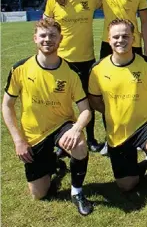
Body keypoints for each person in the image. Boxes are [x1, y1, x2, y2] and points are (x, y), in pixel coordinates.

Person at [2, 18, 93, 215]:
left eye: (53, 35)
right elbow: (7, 105)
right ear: (35, 38)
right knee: (39, 194)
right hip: (34, 134)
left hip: (62, 126)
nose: (47, 39)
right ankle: (55, 164)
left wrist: (76, 128)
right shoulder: (20, 69)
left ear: (60, 39)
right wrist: (18, 140)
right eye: (43, 35)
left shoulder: (71, 71)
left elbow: (86, 110)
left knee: (78, 145)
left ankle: (77, 191)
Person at [88, 19, 147, 216]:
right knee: (127, 186)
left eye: (125, 36)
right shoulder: (97, 69)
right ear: (109, 40)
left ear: (133, 38)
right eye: (116, 37)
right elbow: (95, 101)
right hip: (117, 131)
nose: (121, 40)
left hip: (145, 125)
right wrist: (115, 112)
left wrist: (146, 112)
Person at [44, 0, 103, 152]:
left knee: (88, 102)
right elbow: (45, 27)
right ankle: (61, 140)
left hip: (86, 59)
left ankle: (92, 139)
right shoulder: (53, 0)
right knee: (61, 102)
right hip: (60, 61)